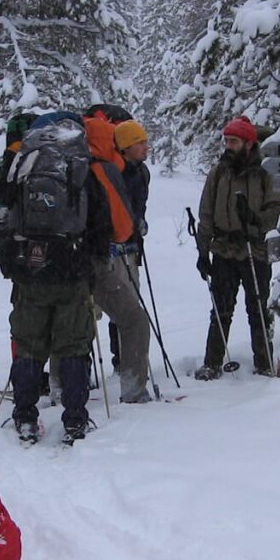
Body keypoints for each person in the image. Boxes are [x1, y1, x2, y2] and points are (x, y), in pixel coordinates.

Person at [0, 111, 111, 444]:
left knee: (29, 347)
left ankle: (26, 417)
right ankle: (75, 419)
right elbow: (102, 227)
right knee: (74, 347)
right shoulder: (82, 169)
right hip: (71, 271)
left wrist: (16, 256)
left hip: (30, 272)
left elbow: (0, 218)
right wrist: (91, 262)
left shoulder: (21, 167)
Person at [194, 116, 280, 378]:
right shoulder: (219, 172)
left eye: (234, 141)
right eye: (227, 140)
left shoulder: (265, 171)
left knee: (257, 309)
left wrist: (255, 220)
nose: (228, 145)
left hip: (254, 250)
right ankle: (212, 362)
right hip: (223, 250)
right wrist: (202, 251)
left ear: (248, 143)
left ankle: (264, 363)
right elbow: (206, 213)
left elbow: (277, 209)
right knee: (220, 310)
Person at [83, 111, 152, 403]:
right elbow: (121, 223)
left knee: (78, 318)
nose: (145, 148)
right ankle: (133, 388)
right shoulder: (107, 170)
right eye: (140, 143)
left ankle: (67, 385)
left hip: (71, 260)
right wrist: (128, 230)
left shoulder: (73, 166)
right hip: (100, 257)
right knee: (130, 317)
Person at [108, 119, 151, 373]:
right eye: (139, 143)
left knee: (129, 302)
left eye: (144, 141)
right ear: (125, 147)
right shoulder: (115, 171)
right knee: (118, 305)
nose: (146, 147)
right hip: (113, 247)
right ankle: (120, 360)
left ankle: (124, 360)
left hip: (132, 247)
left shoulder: (142, 172)